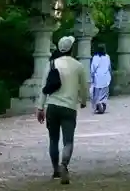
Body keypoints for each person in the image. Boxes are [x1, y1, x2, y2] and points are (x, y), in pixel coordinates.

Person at [36, 33, 91, 183]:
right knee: (68, 141)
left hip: (53, 106)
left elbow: (44, 87)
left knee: (53, 140)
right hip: (69, 107)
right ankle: (64, 165)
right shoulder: (78, 66)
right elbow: (84, 87)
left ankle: (55, 170)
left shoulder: (51, 64)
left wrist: (40, 107)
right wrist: (83, 101)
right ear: (72, 49)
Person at [89, 43, 113, 114]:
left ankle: (98, 103)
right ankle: (103, 103)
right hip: (106, 77)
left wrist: (92, 76)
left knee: (96, 93)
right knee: (104, 93)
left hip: (97, 77)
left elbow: (93, 69)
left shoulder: (95, 57)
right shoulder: (107, 57)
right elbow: (109, 67)